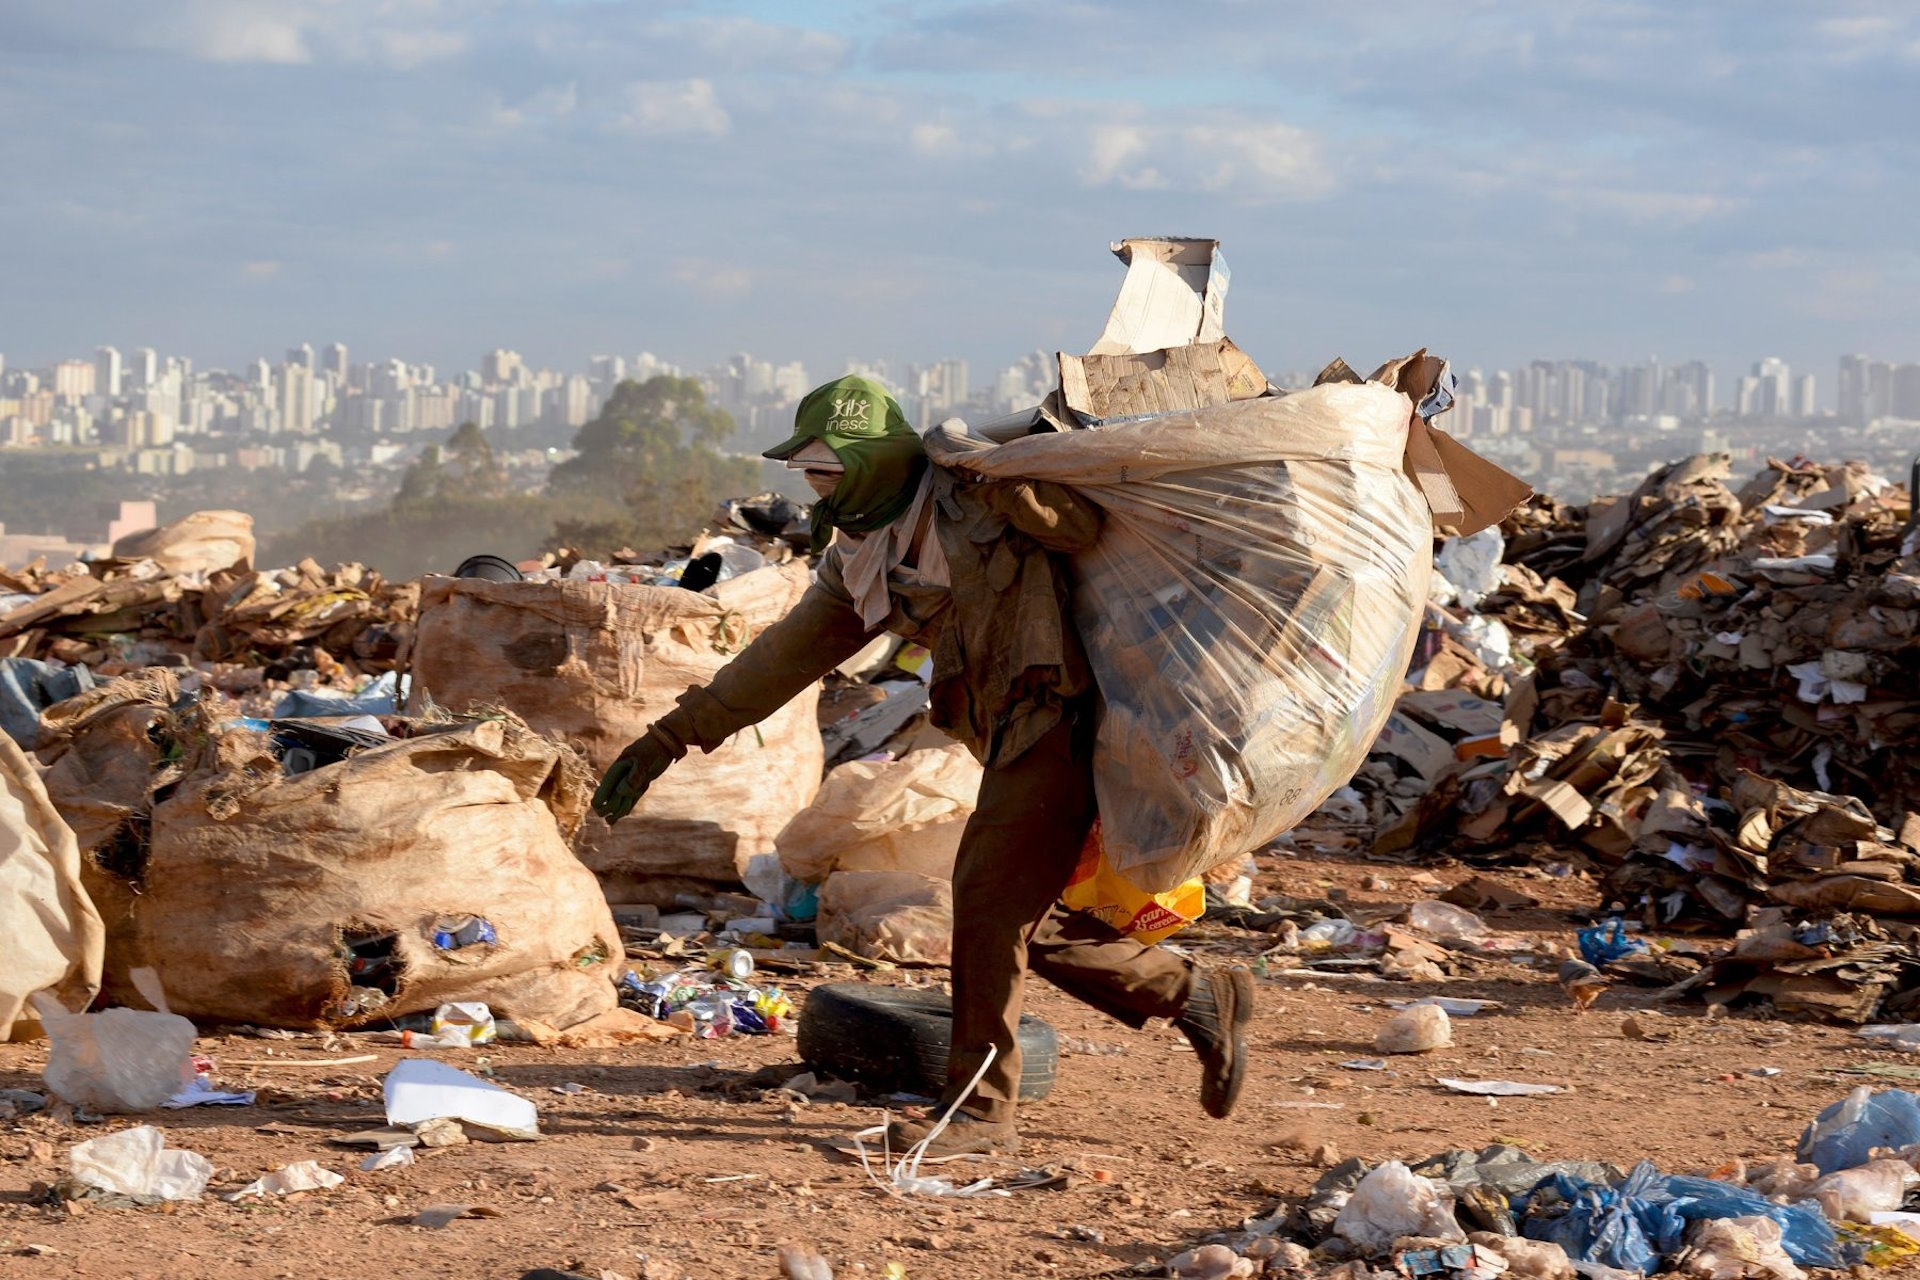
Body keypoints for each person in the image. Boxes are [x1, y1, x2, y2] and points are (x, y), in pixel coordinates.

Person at [592, 374, 1251, 1156]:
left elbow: (1082, 531)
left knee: (984, 906)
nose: (818, 487)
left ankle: (980, 1112)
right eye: (811, 475)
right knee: (1019, 924)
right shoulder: (864, 563)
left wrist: (1016, 489)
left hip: (1075, 718)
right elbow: (777, 662)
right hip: (1012, 732)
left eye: (831, 471)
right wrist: (669, 737)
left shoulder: (978, 499)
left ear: (877, 461)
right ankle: (1196, 993)